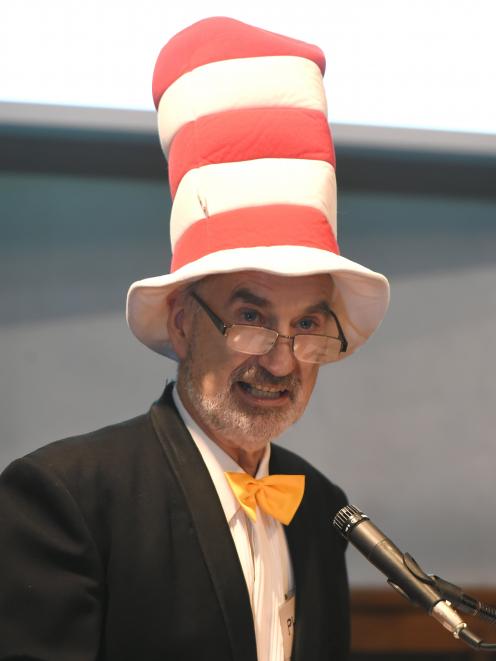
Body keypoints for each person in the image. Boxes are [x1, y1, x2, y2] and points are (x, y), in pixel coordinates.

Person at [0, 17, 390, 661]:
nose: (283, 359)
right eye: (253, 317)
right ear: (183, 321)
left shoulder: (322, 505)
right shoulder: (62, 497)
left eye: (309, 325)